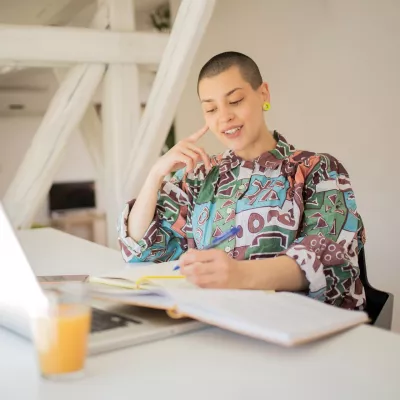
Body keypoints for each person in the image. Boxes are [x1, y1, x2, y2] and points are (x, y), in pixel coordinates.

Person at [117, 51, 366, 310]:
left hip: (298, 329)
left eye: (235, 101)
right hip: (217, 323)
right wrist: (155, 174)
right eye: (211, 109)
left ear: (263, 95)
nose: (224, 117)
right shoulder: (199, 178)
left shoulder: (318, 170)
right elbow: (140, 250)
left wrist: (238, 275)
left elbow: (331, 259)